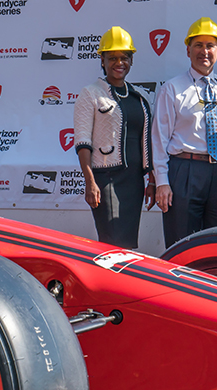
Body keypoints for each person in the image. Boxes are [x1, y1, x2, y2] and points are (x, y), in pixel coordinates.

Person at [153, 17, 217, 248]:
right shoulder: (172, 89)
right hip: (185, 173)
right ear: (188, 50)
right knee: (181, 245)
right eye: (198, 45)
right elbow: (159, 140)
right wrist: (162, 182)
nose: (204, 51)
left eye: (210, 46)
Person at [74, 26, 155, 249]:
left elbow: (146, 142)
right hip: (106, 179)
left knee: (128, 243)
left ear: (131, 60)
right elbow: (82, 142)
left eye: (124, 57)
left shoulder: (139, 97)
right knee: (112, 242)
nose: (119, 63)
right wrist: (90, 181)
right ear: (102, 60)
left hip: (134, 182)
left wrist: (152, 179)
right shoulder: (90, 93)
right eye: (112, 58)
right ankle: (107, 284)